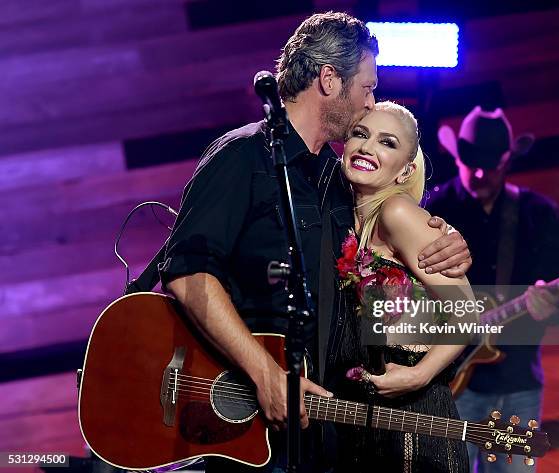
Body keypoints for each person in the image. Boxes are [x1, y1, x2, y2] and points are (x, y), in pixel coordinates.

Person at [160, 12, 472, 472]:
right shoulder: (243, 157)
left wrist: (447, 239)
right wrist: (266, 375)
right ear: (329, 80)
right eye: (367, 88)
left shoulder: (332, 178)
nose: (371, 103)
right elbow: (188, 275)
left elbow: (403, 263)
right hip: (242, 422)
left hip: (321, 435)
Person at [426, 106, 559, 472]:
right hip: (450, 383)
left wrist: (549, 307)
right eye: (471, 162)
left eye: (490, 165)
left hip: (519, 380)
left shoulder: (540, 214)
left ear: (507, 160)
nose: (479, 173)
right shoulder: (434, 210)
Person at [328, 101, 471, 472]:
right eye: (361, 134)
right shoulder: (339, 217)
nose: (367, 147)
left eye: (387, 142)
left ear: (406, 168)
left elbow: (469, 312)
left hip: (416, 427)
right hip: (360, 424)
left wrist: (419, 373)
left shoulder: (397, 213)